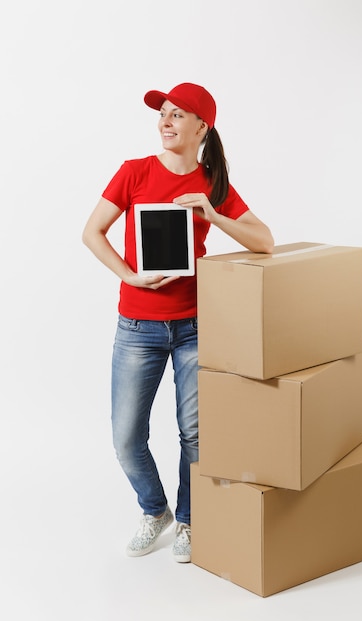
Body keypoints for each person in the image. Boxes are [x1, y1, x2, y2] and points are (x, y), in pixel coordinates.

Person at [82, 82, 274, 563]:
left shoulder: (212, 180)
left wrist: (213, 212)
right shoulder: (135, 172)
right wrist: (130, 276)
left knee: (195, 433)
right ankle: (156, 510)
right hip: (138, 327)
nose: (165, 121)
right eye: (162, 114)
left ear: (202, 127)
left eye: (177, 115)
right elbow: (92, 232)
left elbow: (265, 241)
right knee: (126, 436)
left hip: (194, 326)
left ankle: (188, 520)